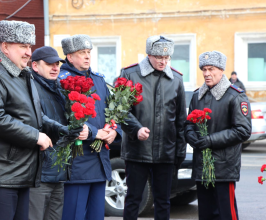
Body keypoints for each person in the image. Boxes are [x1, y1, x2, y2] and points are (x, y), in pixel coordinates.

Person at [0, 20, 65, 220]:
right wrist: (35, 136)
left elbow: (34, 116)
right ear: (5, 47)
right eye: (23, 46)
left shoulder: (23, 75)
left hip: (23, 172)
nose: (28, 52)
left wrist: (62, 130)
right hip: (0, 174)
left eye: (29, 46)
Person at [120, 35, 187, 220]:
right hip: (137, 151)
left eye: (167, 58)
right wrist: (136, 129)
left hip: (166, 151)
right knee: (134, 199)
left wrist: (179, 152)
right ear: (148, 54)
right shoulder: (130, 74)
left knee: (164, 200)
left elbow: (181, 119)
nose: (163, 62)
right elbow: (120, 111)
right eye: (159, 57)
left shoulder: (177, 79)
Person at [59, 34, 122, 220]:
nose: (87, 56)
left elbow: (111, 111)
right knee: (74, 215)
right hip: (78, 161)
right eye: (81, 53)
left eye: (88, 52)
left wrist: (114, 131)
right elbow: (64, 118)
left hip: (100, 160)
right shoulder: (63, 81)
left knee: (96, 216)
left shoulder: (99, 79)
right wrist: (96, 133)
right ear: (70, 57)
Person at [184, 51, 252, 220]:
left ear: (221, 70)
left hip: (224, 167)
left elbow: (243, 130)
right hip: (202, 166)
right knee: (205, 214)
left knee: (226, 214)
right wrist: (191, 137)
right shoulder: (197, 96)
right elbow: (189, 124)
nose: (207, 74)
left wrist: (210, 140)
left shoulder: (235, 96)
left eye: (211, 69)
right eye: (204, 69)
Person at [28, 46, 89, 220]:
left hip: (59, 171)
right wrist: (64, 129)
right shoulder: (31, 88)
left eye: (57, 64)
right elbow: (38, 119)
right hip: (39, 173)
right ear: (35, 66)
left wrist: (80, 127)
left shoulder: (60, 89)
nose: (55, 68)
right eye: (49, 64)